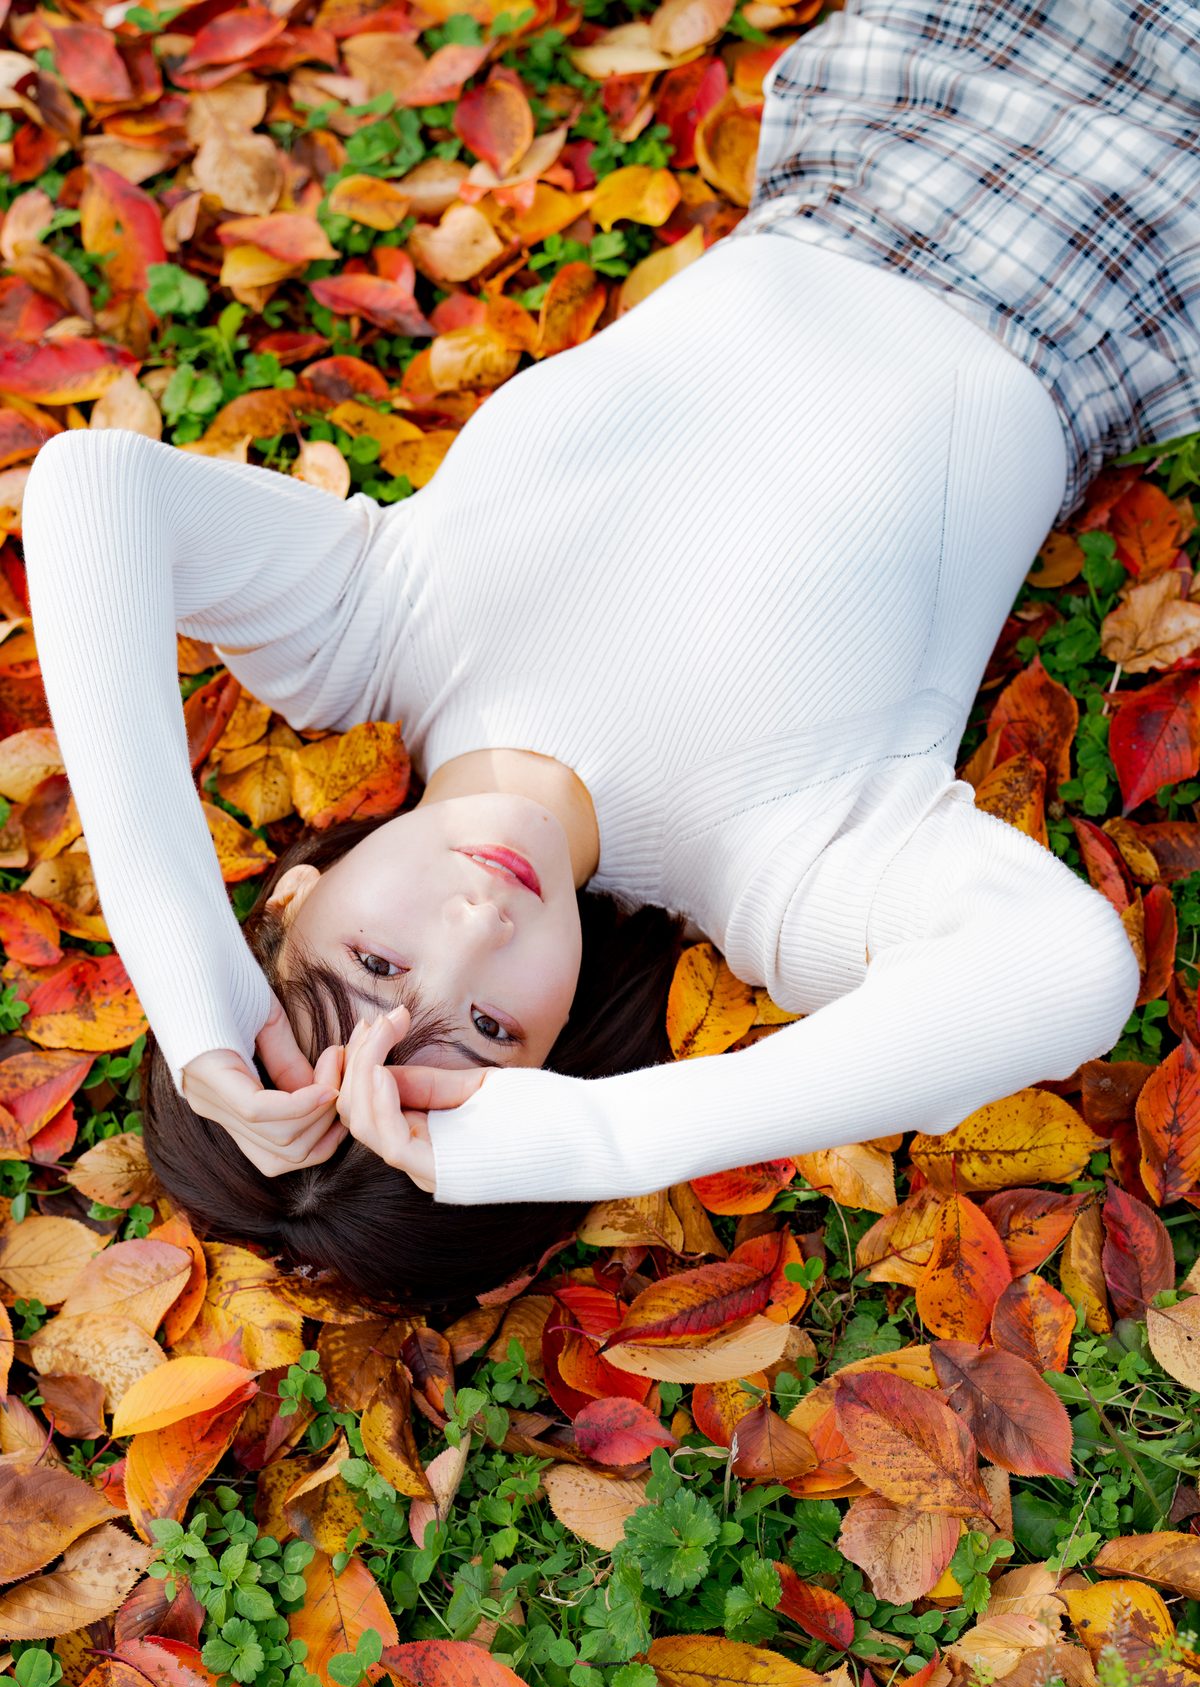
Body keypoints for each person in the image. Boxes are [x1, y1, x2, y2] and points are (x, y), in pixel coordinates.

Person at [22, 0, 1195, 1304]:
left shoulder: (366, 636)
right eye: (489, 1028)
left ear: (289, 904)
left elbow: (93, 488)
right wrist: (609, 1137)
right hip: (1134, 247)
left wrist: (198, 1010)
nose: (476, 926)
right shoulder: (778, 878)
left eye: (376, 965)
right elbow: (1072, 975)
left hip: (904, 89)